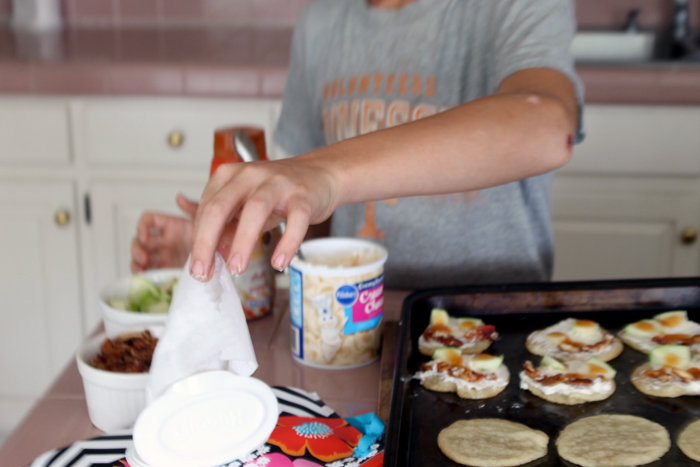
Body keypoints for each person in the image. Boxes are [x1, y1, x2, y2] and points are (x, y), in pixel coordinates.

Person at [132, 0, 583, 289]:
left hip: (495, 322)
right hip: (353, 325)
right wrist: (233, 246)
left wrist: (326, 172)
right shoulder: (321, 23)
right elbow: (311, 216)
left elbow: (547, 127)